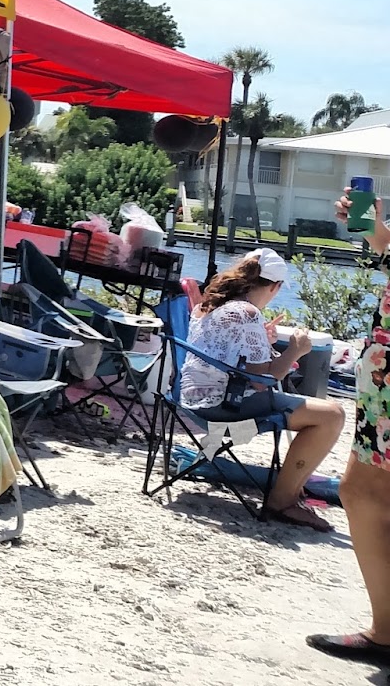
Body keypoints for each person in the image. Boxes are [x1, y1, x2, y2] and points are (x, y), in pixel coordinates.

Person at [181, 248, 344, 532]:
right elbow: (262, 381)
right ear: (275, 286)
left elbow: (228, 356)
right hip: (224, 407)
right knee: (332, 415)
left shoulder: (210, 304)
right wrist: (296, 350)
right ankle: (283, 500)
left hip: (190, 399)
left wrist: (262, 340)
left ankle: (288, 486)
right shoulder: (247, 313)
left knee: (307, 408)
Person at [312, 191, 390, 662]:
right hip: (384, 374)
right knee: (362, 491)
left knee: (364, 491)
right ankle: (385, 632)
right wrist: (375, 231)